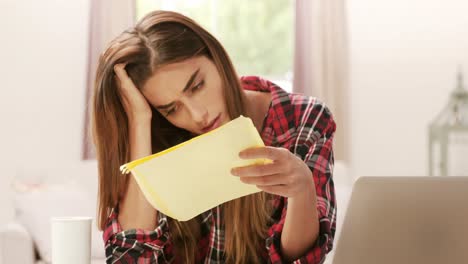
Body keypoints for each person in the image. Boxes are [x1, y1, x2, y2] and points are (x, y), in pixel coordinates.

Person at [92, 10, 336, 264]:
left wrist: (302, 190)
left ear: (216, 58)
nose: (198, 115)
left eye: (197, 86)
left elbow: (300, 260)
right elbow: (129, 259)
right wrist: (139, 121)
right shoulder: (161, 135)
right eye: (172, 108)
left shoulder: (303, 118)